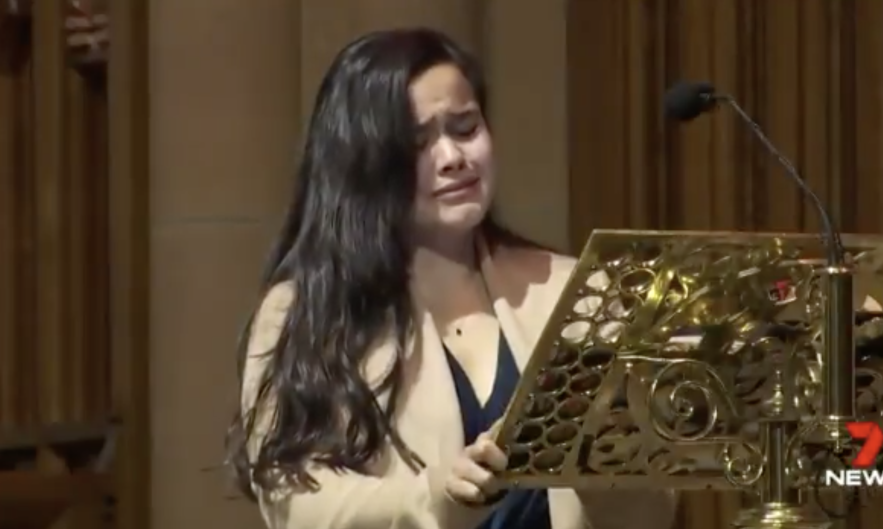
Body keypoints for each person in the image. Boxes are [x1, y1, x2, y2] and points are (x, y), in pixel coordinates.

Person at [226, 28, 677, 529]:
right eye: (418, 143)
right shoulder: (305, 310)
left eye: (464, 128)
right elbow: (294, 502)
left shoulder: (573, 291)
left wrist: (605, 465)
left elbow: (652, 510)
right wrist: (432, 499)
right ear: (363, 165)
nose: (452, 158)